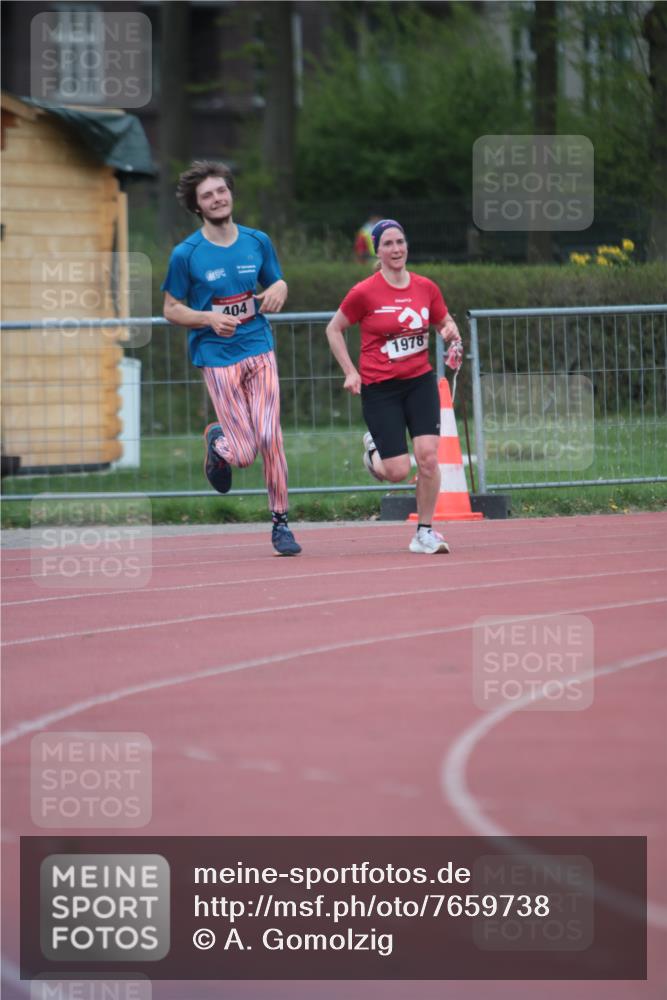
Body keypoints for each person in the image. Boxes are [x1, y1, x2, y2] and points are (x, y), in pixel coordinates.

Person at [161, 160, 301, 556]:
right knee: (242, 455)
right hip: (216, 355)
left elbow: (275, 280)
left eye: (221, 191)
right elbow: (171, 308)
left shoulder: (257, 241)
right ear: (197, 205)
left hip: (259, 348)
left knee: (271, 436)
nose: (217, 198)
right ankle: (218, 440)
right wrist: (207, 317)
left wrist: (280, 288)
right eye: (207, 195)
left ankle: (280, 524)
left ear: (231, 194)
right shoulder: (186, 254)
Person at [326, 219, 462, 555]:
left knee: (429, 459)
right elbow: (334, 329)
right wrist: (350, 372)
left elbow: (444, 320)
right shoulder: (364, 292)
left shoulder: (426, 288)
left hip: (419, 382)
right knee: (398, 471)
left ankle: (425, 532)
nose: (396, 249)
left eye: (400, 242)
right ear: (378, 250)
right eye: (387, 244)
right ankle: (374, 449)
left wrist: (451, 335)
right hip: (380, 387)